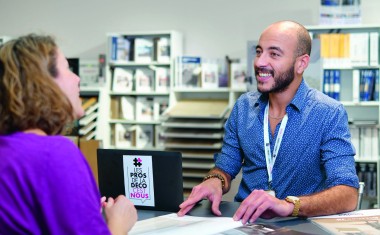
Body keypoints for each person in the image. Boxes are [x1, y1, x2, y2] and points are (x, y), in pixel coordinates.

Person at [178, 20, 359, 224]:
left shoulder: (328, 113)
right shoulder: (244, 107)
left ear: (301, 63)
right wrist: (215, 180)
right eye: (259, 51)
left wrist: (288, 205)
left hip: (299, 226)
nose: (259, 62)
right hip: (244, 222)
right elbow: (226, 166)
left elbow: (348, 194)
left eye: (274, 54)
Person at [0, 34, 137, 234]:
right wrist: (119, 223)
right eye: (67, 68)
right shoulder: (53, 154)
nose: (77, 78)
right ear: (44, 84)